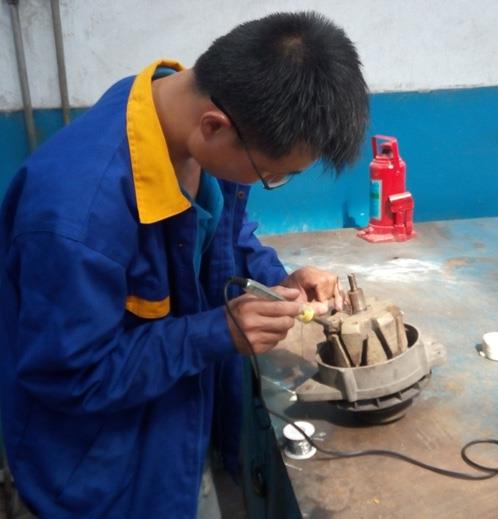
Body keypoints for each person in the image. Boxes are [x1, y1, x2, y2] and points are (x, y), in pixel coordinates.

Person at [0, 11, 368, 517]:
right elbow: (69, 376)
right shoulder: (76, 218)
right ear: (214, 127)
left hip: (179, 429)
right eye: (272, 175)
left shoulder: (178, 113)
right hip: (101, 475)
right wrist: (215, 333)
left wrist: (273, 279)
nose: (269, 184)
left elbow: (224, 231)